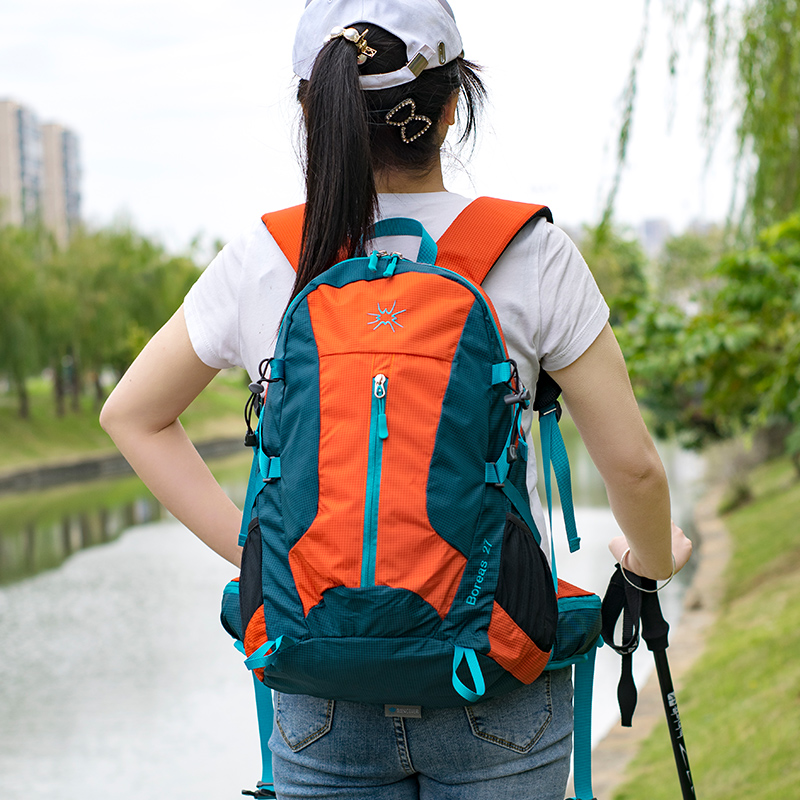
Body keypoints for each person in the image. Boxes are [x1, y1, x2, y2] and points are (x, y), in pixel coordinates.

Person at [100, 1, 693, 797]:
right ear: (454, 107)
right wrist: (650, 566)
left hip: (319, 688)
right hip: (494, 672)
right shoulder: (531, 252)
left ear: (316, 113)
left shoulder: (268, 257)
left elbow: (132, 417)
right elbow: (635, 469)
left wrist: (271, 560)